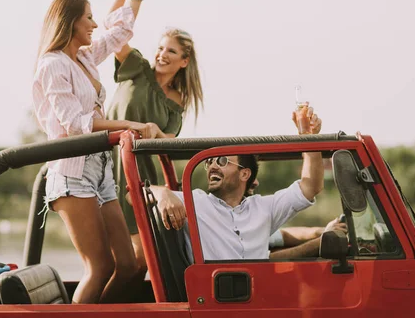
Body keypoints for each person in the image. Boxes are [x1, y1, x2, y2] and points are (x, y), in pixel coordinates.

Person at [32, 0, 159, 304]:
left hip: (100, 170)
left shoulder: (84, 57)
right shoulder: (53, 64)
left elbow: (119, 28)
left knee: (131, 265)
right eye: (88, 18)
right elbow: (75, 124)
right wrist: (129, 125)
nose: (93, 24)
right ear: (70, 22)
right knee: (100, 267)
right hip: (72, 173)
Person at [136, 105, 324, 261]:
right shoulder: (195, 202)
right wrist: (162, 193)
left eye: (222, 161)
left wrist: (309, 138)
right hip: (215, 296)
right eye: (209, 161)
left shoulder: (263, 208)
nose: (212, 167)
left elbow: (310, 186)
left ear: (244, 174)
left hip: (259, 292)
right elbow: (132, 196)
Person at [107, 23, 204, 272]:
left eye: (171, 51)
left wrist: (156, 131)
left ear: (184, 61)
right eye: (160, 48)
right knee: (115, 261)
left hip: (138, 174)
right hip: (106, 163)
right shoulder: (137, 68)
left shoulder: (177, 100)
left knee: (141, 263)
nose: (162, 55)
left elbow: (168, 142)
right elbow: (113, 29)